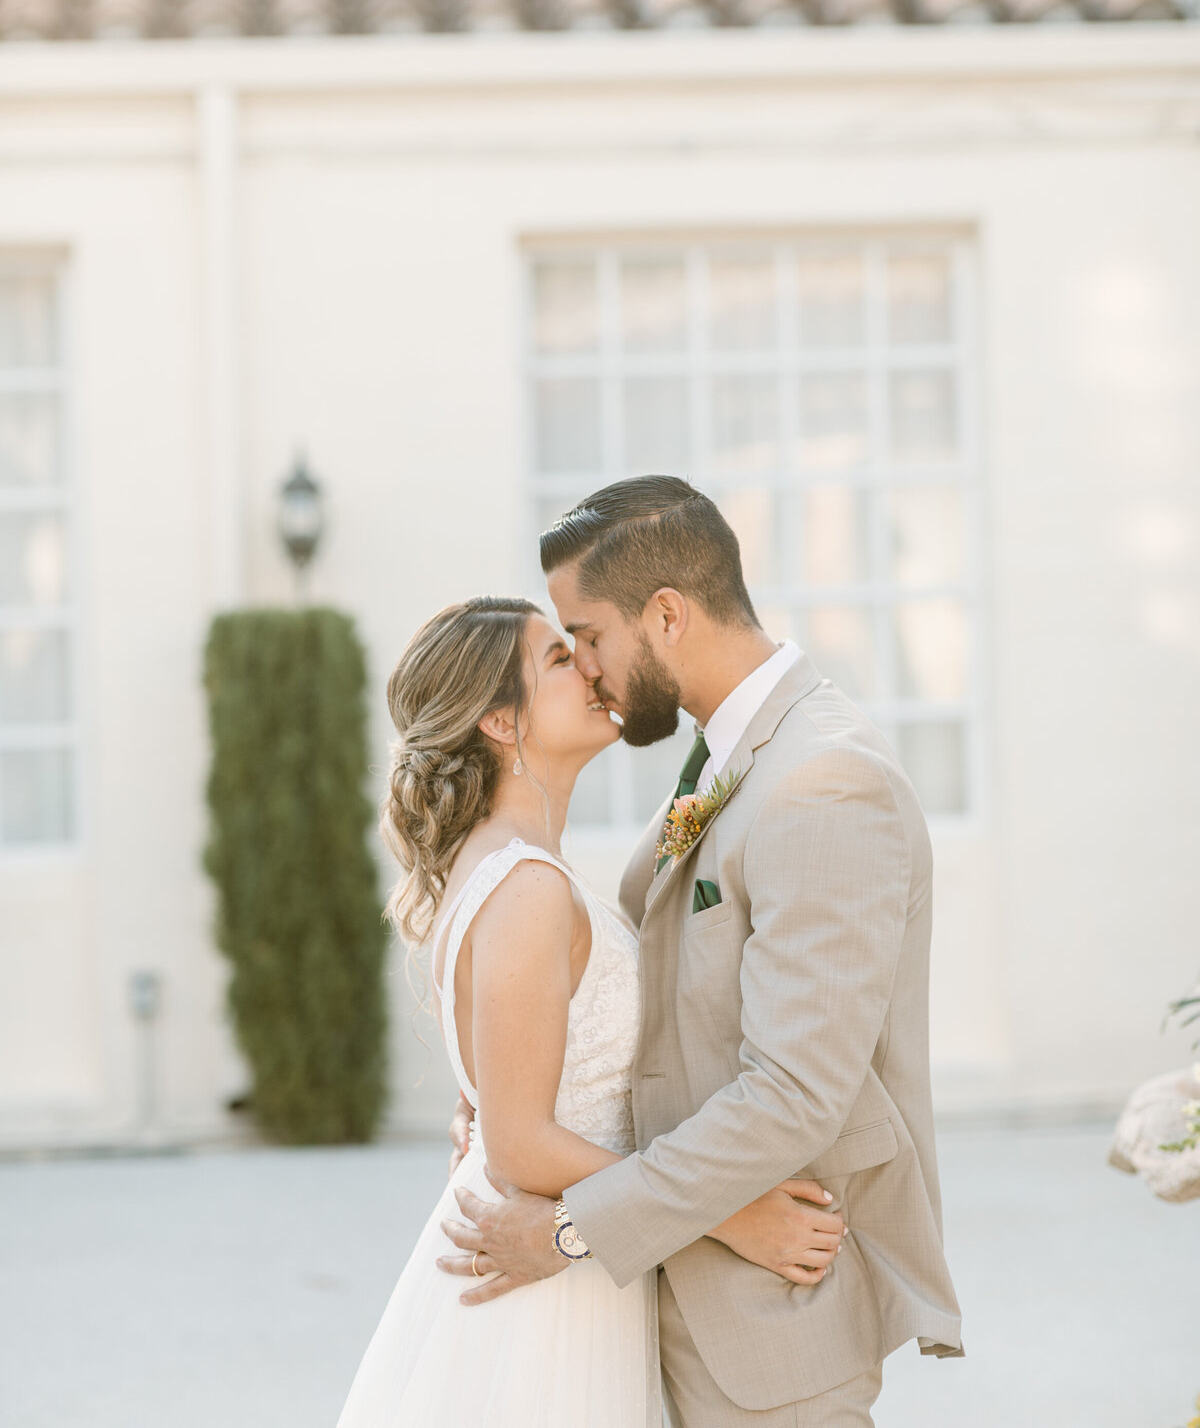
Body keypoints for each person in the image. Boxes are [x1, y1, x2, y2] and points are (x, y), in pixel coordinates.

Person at [441, 478, 964, 1426]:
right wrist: (526, 1098)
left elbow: (796, 1094)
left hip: (769, 1323)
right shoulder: (728, 754)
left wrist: (566, 1227)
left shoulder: (824, 781)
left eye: (587, 637)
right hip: (665, 1292)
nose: (586, 670)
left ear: (668, 615)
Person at [335, 593, 847, 1428]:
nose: (591, 669)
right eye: (557, 660)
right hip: (543, 1310)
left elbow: (505, 1101)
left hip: (575, 1274)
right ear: (502, 722)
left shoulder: (516, 868)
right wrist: (729, 1214)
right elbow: (522, 1144)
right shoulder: (526, 886)